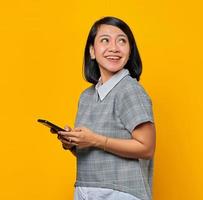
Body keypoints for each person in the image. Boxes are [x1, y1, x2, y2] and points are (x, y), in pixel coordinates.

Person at [54, 16, 156, 200]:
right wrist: (73, 143)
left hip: (121, 192)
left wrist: (95, 140)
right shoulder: (86, 97)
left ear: (130, 50)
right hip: (86, 189)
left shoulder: (130, 90)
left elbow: (146, 147)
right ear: (92, 51)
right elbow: (93, 150)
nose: (114, 48)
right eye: (105, 40)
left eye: (122, 41)